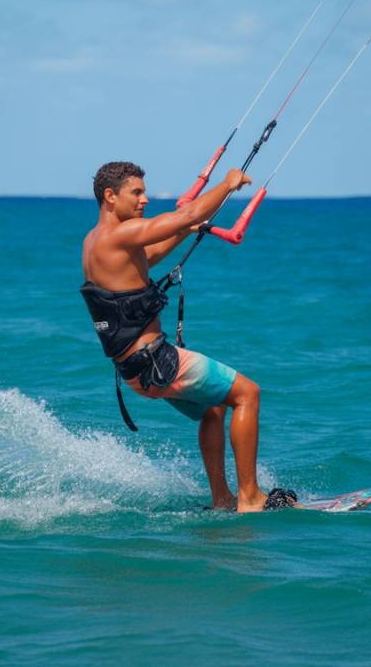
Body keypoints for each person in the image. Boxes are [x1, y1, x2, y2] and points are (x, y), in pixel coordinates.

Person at [79, 161, 297, 513]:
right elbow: (187, 213)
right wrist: (227, 185)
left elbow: (148, 257)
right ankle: (251, 497)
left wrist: (186, 228)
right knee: (247, 394)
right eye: (136, 192)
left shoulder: (96, 242)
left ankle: (222, 499)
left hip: (137, 372)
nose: (145, 199)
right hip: (158, 362)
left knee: (213, 410)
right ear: (109, 196)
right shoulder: (119, 234)